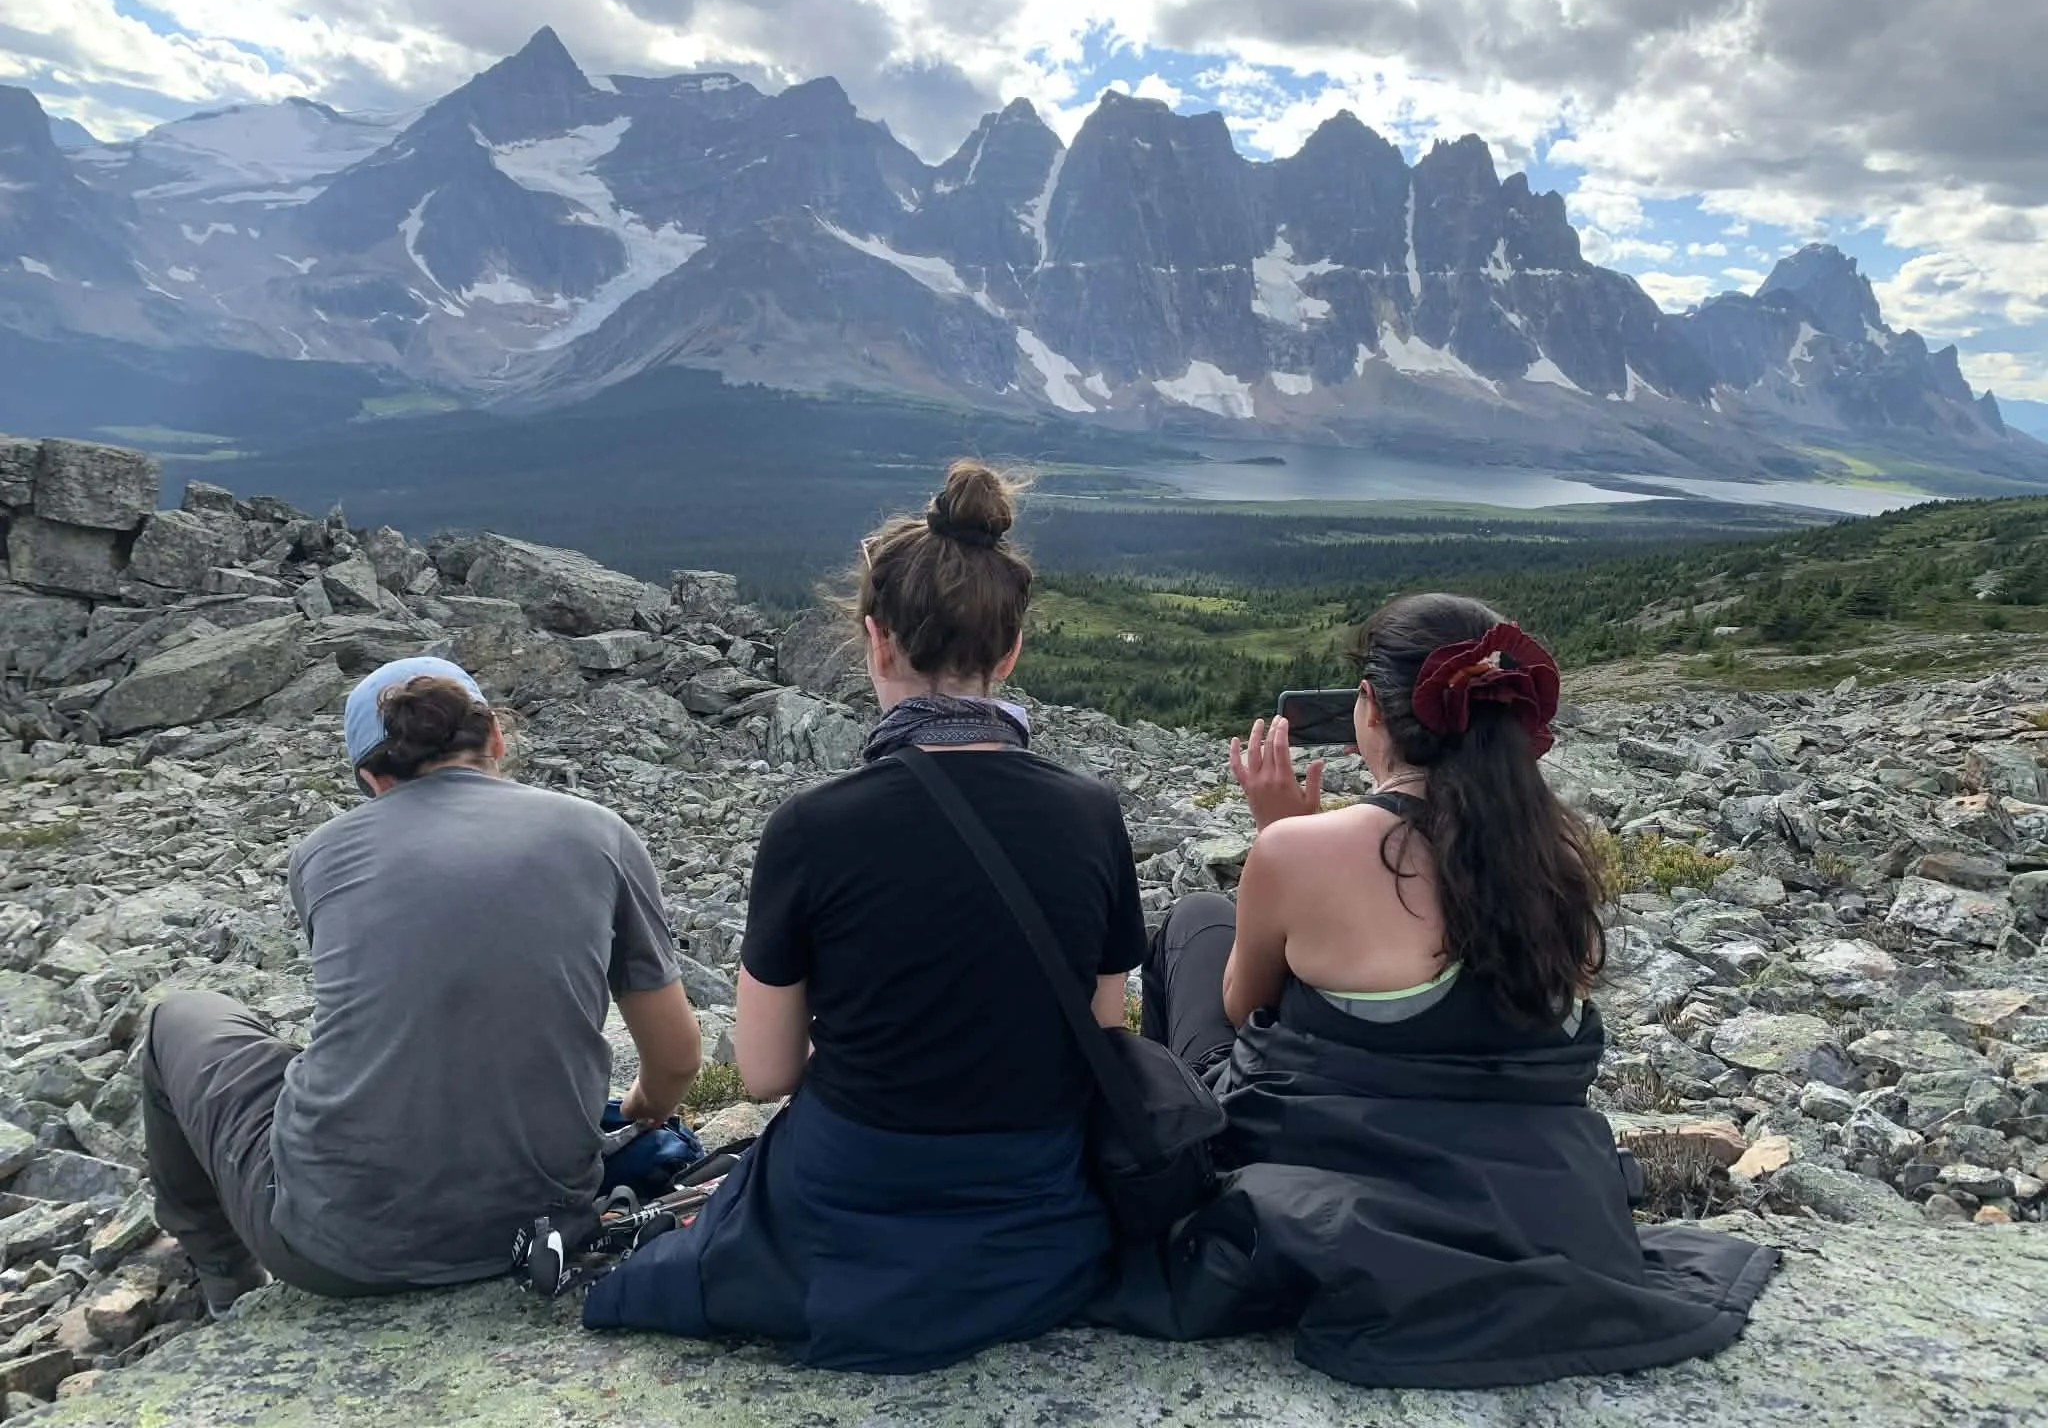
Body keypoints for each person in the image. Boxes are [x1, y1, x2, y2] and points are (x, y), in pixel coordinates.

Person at [1104, 593, 1778, 1386]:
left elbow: (1240, 1007)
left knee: (1195, 923)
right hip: (1530, 1183)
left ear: (1371, 711)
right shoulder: (1552, 855)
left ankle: (1167, 1201)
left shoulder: (1300, 849)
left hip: (1332, 1159)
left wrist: (1273, 834)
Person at [583, 463, 1148, 1372]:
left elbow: (764, 1074)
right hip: (1034, 1199)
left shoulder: (813, 827)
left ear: (875, 641)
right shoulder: (1092, 811)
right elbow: (1103, 1028)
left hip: (851, 1186)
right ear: (1010, 652)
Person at [142, 656, 702, 1315]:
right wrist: (638, 1108)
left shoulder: (321, 853)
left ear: (371, 780)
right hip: (541, 1226)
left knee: (176, 1018)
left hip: (330, 1249)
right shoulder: (600, 832)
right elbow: (677, 1059)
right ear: (495, 737)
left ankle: (223, 1274)